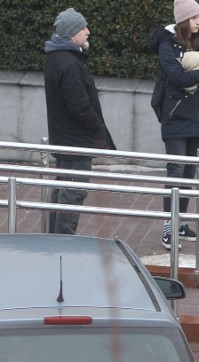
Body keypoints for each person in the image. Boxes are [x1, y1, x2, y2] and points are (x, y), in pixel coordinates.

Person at [145, 0, 199, 249]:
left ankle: (180, 223)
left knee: (189, 172)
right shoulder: (167, 45)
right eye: (193, 18)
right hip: (176, 115)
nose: (198, 21)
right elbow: (177, 77)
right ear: (182, 21)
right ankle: (168, 228)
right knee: (176, 171)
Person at [43, 7, 116, 235]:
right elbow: (80, 106)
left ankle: (55, 242)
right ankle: (63, 245)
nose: (88, 31)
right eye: (83, 28)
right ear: (71, 33)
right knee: (72, 192)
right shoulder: (69, 63)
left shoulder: (57, 58)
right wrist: (98, 131)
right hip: (76, 142)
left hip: (65, 139)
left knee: (62, 189)